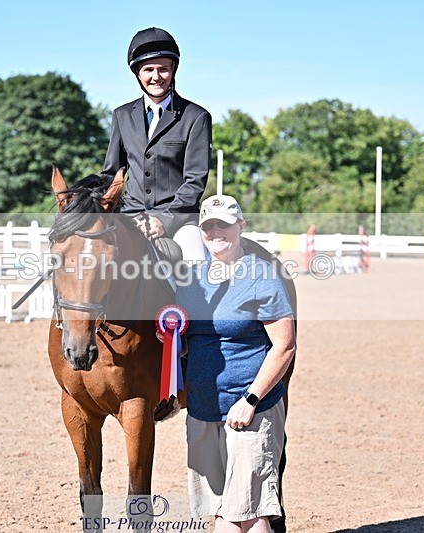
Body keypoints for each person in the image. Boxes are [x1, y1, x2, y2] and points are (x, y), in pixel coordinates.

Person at [175, 195, 296, 532]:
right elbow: (193, 342)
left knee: (244, 515)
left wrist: (251, 399)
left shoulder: (262, 276)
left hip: (249, 411)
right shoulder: (191, 280)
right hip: (202, 410)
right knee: (226, 512)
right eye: (208, 226)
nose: (216, 232)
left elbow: (285, 346)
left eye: (224, 224)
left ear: (241, 226)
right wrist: (173, 342)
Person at [101, 27, 212, 262]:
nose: (156, 76)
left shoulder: (196, 117)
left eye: (163, 69)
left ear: (173, 70)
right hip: (129, 217)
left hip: (179, 221)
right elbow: (112, 174)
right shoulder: (122, 115)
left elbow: (195, 181)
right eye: (148, 70)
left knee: (195, 262)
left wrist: (165, 220)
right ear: (137, 74)